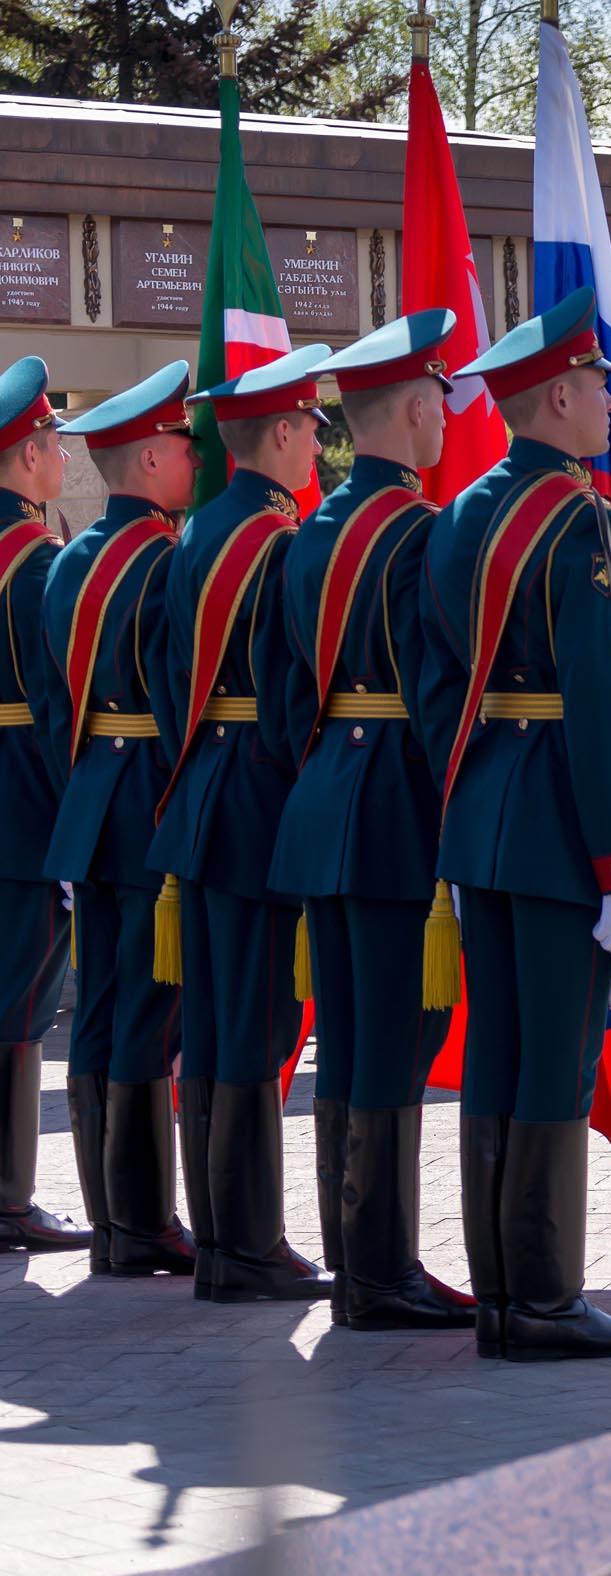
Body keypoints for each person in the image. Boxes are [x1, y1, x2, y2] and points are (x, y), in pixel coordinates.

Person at [421, 286, 611, 1361]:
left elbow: (440, 691)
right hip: (564, 825)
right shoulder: (586, 526)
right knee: (558, 1061)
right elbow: (598, 708)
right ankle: (547, 1299)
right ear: (559, 394)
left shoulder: (463, 513)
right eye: (602, 388)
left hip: (485, 817)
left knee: (503, 1055)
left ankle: (499, 1294)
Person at [270, 313, 476, 1329]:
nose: (447, 419)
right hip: (396, 804)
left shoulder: (306, 534)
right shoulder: (424, 532)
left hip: (323, 805)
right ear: (413, 407)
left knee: (346, 1041)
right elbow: (440, 696)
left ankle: (358, 1264)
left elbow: (279, 696)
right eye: (440, 399)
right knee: (394, 1037)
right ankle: (383, 1271)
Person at [152, 344, 336, 1306]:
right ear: (278, 432)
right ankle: (250, 1243)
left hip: (201, 794)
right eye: (309, 425)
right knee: (257, 1022)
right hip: (257, 796)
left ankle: (224, 1237)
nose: (317, 442)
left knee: (219, 1022)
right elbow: (289, 692)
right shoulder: (274, 537)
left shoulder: (197, 531)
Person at [44, 363, 199, 1280]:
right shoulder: (167, 562)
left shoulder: (66, 562)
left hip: (89, 801)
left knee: (99, 1006)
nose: (192, 458)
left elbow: (55, 699)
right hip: (146, 801)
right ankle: (143, 1222)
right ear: (148, 456)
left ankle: (113, 1221)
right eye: (182, 445)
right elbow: (179, 699)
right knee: (147, 1009)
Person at [0, 357, 86, 1255]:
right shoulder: (34, 564)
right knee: (19, 1003)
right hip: (20, 804)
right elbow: (53, 706)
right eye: (56, 440)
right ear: (31, 454)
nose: (61, 453)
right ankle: (8, 1195)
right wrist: (74, 824)